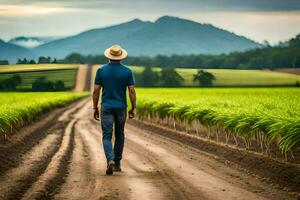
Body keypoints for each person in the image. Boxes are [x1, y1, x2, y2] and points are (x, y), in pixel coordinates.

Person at [92, 45, 136, 175]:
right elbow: (132, 91)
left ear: (109, 56)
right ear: (121, 56)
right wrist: (133, 107)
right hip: (121, 107)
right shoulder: (127, 71)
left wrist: (95, 107)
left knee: (106, 135)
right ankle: (117, 163)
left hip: (106, 107)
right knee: (120, 134)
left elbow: (96, 91)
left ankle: (110, 159)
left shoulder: (101, 71)